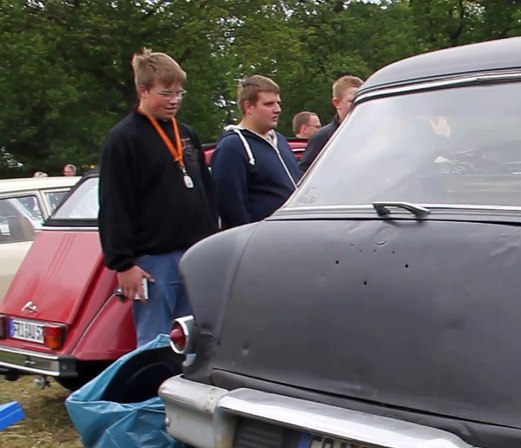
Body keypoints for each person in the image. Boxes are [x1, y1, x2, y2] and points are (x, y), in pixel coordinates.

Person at [98, 48, 217, 346]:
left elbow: (206, 188)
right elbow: (114, 204)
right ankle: (152, 391)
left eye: (179, 93)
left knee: (194, 341)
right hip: (153, 262)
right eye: (166, 93)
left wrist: (213, 240)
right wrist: (123, 263)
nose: (174, 100)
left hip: (194, 254)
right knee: (156, 344)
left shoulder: (186, 133)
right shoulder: (124, 139)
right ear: (143, 90)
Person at [211, 75, 302, 229]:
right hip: (261, 241)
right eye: (269, 104)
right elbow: (231, 205)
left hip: (293, 233)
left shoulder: (280, 140)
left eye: (278, 103)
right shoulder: (232, 146)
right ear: (249, 107)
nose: (277, 109)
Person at [298, 74, 363, 173]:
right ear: (337, 103)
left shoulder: (374, 132)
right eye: (352, 101)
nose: (358, 104)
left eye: (362, 100)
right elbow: (304, 173)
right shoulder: (322, 137)